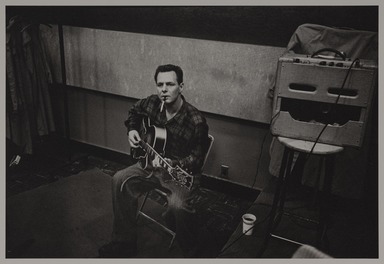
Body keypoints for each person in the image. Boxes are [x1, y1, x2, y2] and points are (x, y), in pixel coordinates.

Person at [99, 64, 210, 258]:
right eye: (160, 85)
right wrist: (132, 130)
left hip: (179, 175)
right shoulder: (151, 103)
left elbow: (197, 159)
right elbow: (134, 111)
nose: (164, 89)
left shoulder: (195, 121)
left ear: (181, 87)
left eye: (170, 84)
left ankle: (192, 251)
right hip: (151, 165)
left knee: (178, 206)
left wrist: (175, 164)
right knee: (119, 180)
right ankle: (124, 242)